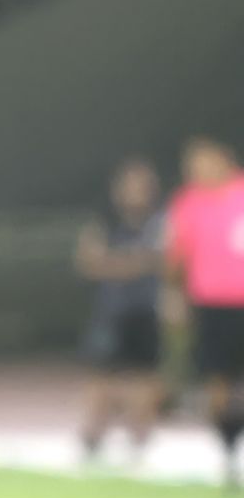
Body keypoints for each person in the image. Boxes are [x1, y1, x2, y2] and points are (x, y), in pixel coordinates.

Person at [75, 157, 170, 466]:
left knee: (144, 379)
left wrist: (118, 263)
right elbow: (89, 262)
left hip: (147, 311)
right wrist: (136, 262)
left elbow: (166, 259)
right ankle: (92, 442)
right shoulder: (104, 223)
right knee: (100, 378)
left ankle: (138, 444)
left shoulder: (160, 222)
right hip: (112, 313)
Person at [165, 136, 244, 493]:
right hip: (211, 305)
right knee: (217, 381)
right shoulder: (188, 202)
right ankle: (227, 452)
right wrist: (174, 296)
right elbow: (176, 257)